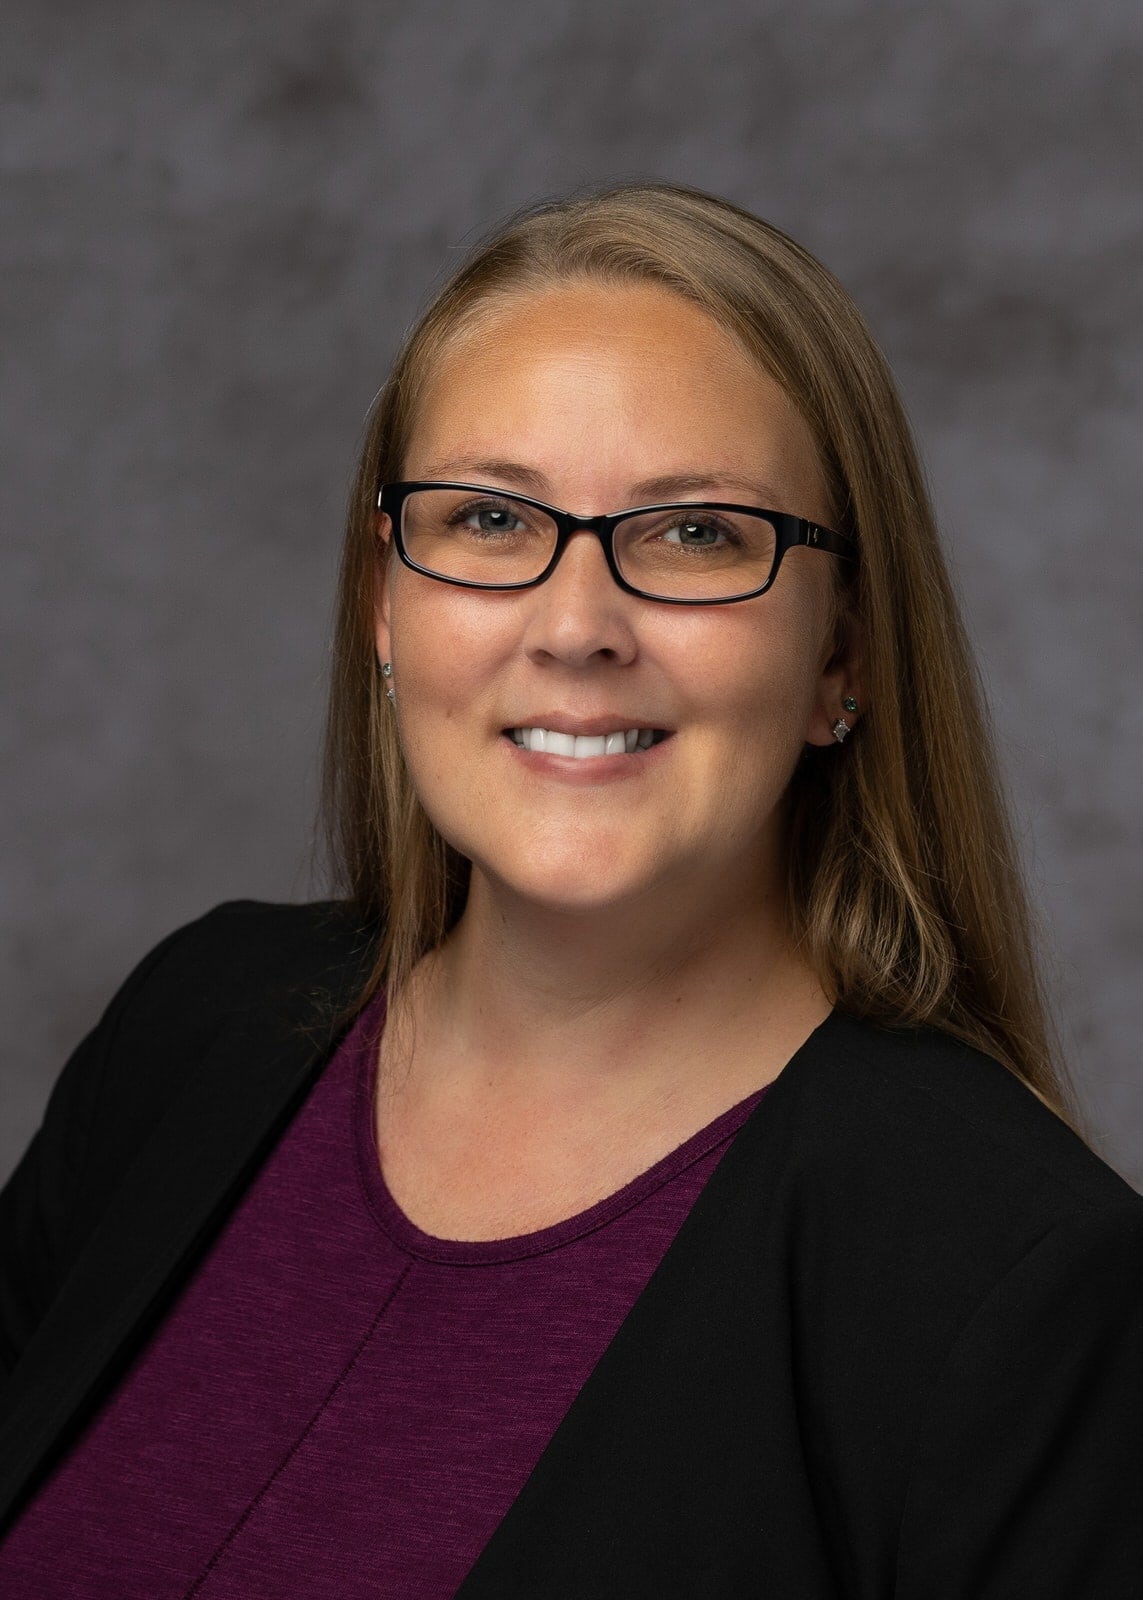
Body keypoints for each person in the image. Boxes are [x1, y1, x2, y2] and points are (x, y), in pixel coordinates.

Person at [0, 181, 1140, 1598]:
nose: (578, 628)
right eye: (490, 516)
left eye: (698, 535)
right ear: (387, 606)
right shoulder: (199, 1026)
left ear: (844, 656)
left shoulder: (1016, 1284)